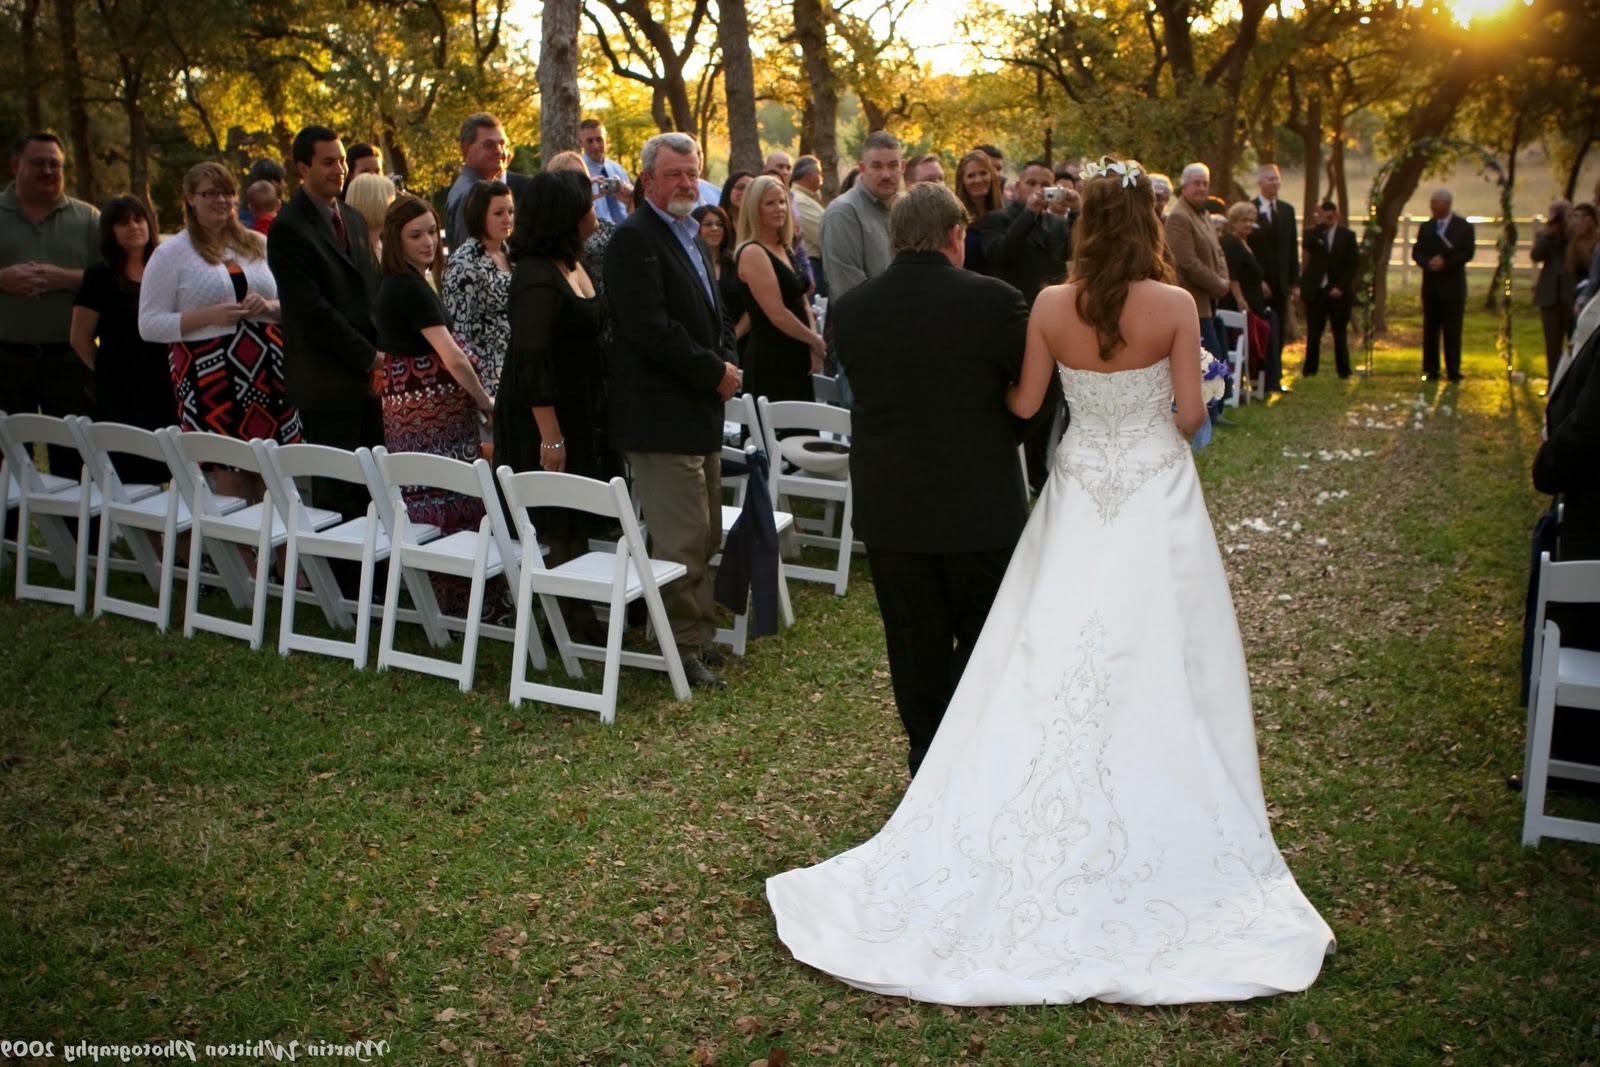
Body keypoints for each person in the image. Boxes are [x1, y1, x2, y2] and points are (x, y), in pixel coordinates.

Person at [767, 157, 1335, 1007]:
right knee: (1158, 647)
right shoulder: (1177, 305)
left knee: (1050, 645)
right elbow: (1186, 417)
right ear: (1148, 224)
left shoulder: (1052, 306)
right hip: (1151, 490)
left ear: (1084, 223)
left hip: (1077, 491)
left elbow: (1028, 407)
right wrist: (1193, 387)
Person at [828, 181, 1053, 773]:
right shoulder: (996, 301)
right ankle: (971, 749)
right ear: (956, 236)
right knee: (987, 632)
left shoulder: (850, 311)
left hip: (892, 505)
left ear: (894, 237)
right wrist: (1000, 441)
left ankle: (928, 754)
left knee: (911, 639)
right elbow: (1037, 399)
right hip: (980, 504)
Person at [603, 132, 741, 691]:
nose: (686, 183)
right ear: (647, 180)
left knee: (706, 535)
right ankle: (679, 650)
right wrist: (714, 371)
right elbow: (650, 330)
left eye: (693, 172)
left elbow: (716, 315)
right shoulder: (633, 239)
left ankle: (700, 637)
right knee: (681, 542)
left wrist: (727, 359)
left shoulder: (691, 233)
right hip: (660, 418)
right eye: (674, 174)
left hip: (699, 411)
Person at [494, 170, 614, 643]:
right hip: (542, 417)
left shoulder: (570, 262)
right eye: (587, 204)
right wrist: (552, 435)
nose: (594, 212)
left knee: (574, 514)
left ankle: (575, 611)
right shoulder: (536, 278)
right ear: (566, 215)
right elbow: (531, 362)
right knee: (558, 517)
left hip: (578, 405)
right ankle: (572, 624)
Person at [138, 162, 299, 504]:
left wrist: (268, 307)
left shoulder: (257, 243)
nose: (221, 200)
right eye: (210, 193)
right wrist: (205, 316)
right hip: (209, 374)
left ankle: (283, 554)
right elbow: (148, 324)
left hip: (267, 369)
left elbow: (293, 305)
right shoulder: (170, 254)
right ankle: (242, 557)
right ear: (190, 198)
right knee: (231, 470)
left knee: (273, 469)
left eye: (227, 192)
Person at [375, 196, 496, 613]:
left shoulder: (401, 281)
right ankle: (462, 601)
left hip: (409, 411)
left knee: (427, 497)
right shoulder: (408, 286)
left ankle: (444, 600)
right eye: (416, 235)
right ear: (396, 240)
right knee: (446, 498)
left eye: (432, 232)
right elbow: (453, 356)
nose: (428, 242)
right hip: (430, 416)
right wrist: (485, 401)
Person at [267, 125, 383, 523]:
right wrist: (369, 358)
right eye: (329, 162)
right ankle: (342, 582)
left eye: (342, 161)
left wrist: (380, 357)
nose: (340, 169)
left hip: (371, 382)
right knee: (338, 498)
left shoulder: (351, 217)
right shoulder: (288, 228)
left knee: (375, 489)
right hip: (327, 382)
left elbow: (371, 289)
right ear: (303, 167)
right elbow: (310, 311)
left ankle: (379, 579)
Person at [1, 131, 100, 480]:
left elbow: (116, 278)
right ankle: (8, 531)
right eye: (38, 163)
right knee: (6, 462)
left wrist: (66, 278)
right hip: (6, 362)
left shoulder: (88, 219)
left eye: (55, 164)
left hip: (69, 362)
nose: (48, 171)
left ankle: (79, 534)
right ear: (16, 166)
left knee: (74, 459)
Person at [69, 196, 171, 483]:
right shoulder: (99, 276)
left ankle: (181, 528)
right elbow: (79, 338)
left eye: (138, 219)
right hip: (122, 390)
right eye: (123, 222)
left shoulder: (164, 269)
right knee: (134, 470)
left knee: (175, 465)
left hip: (166, 384)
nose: (133, 227)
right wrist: (106, 373)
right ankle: (145, 529)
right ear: (110, 231)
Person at [735, 175, 823, 404]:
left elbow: (803, 300)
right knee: (778, 432)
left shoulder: (784, 247)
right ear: (755, 209)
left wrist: (812, 341)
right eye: (770, 203)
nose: (779, 209)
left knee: (804, 431)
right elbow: (777, 313)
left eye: (782, 202)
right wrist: (813, 340)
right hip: (772, 355)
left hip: (798, 350)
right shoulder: (753, 252)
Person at [1165, 162, 1231, 420]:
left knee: (1215, 358)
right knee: (1205, 360)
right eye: (1196, 183)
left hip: (1209, 300)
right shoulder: (1179, 217)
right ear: (1184, 186)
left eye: (1205, 183)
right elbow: (1187, 262)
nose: (1202, 188)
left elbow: (1219, 252)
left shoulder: (1203, 214)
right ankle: (1208, 413)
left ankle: (1216, 410)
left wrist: (1224, 279)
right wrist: (1218, 285)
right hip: (1193, 301)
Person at [442, 179, 514, 396]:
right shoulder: (464, 263)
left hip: (514, 369)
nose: (507, 219)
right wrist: (478, 392)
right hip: (486, 378)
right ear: (480, 216)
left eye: (510, 211)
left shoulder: (509, 253)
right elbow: (458, 333)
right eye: (498, 213)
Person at [975, 158, 1072, 304]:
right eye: (1031, 183)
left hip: (1051, 307)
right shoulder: (996, 219)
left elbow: (1078, 250)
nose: (1038, 189)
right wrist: (1029, 213)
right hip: (1012, 308)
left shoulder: (1059, 223)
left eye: (1045, 185)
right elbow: (1000, 255)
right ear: (1018, 186)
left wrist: (1077, 209)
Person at [1411, 188, 1474, 383]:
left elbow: (1467, 253)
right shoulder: (1427, 227)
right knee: (1430, 329)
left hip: (1453, 287)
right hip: (1431, 286)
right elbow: (1417, 251)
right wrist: (1428, 262)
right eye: (1431, 202)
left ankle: (1453, 370)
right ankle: (1431, 369)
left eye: (1435, 202)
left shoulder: (1463, 227)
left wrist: (1446, 263)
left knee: (1452, 330)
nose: (1432, 206)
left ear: (1447, 204)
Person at [444, 114, 531, 252]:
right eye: (489, 145)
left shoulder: (481, 189)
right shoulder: (470, 195)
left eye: (503, 144)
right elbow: (470, 259)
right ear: (466, 150)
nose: (499, 151)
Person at [1249, 164, 1297, 393]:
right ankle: (1257, 378)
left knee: (1279, 330)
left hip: (1281, 283)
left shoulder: (1287, 211)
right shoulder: (1250, 209)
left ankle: (1274, 379)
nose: (1275, 183)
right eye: (1270, 179)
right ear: (1260, 182)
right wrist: (1257, 280)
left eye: (1277, 179)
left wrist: (1294, 282)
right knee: (1260, 331)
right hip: (1258, 283)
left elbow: (1291, 250)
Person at [1302, 201, 1358, 379]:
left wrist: (1340, 286)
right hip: (1317, 290)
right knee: (1314, 332)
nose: (1328, 218)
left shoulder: (1347, 236)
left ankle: (1343, 369)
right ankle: (1310, 369)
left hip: (1338, 291)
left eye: (1331, 215)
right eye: (1325, 214)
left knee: (1339, 332)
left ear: (1337, 214)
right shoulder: (1314, 232)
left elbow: (1352, 265)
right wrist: (1320, 226)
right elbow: (1307, 245)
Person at [1531, 199, 1573, 382]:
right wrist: (1549, 235)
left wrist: (1568, 229)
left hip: (1572, 295)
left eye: (1561, 211)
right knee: (1552, 345)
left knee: (1575, 342)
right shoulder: (1544, 234)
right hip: (1549, 295)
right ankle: (1553, 383)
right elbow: (1536, 255)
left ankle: (1573, 383)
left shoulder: (1576, 234)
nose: (1557, 215)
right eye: (1554, 210)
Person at [692, 204, 745, 345]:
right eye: (707, 224)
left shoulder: (738, 263)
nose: (715, 229)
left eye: (720, 224)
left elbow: (751, 308)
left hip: (739, 344)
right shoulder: (687, 266)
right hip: (701, 346)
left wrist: (731, 338)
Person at [955, 149, 1002, 276]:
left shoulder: (1004, 213)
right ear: (962, 181)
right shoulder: (955, 219)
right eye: (971, 176)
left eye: (983, 173)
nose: (978, 180)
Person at [580, 118, 634, 226]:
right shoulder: (579, 172)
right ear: (580, 142)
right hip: (596, 235)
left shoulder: (617, 169)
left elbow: (631, 206)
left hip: (626, 230)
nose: (595, 146)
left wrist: (631, 197)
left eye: (599, 139)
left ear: (607, 139)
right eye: (589, 141)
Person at [790, 156, 827, 296]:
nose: (821, 178)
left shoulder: (808, 199)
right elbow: (823, 235)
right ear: (810, 176)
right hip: (812, 266)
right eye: (819, 173)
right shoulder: (799, 201)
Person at [342, 173, 396, 258]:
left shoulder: (385, 247)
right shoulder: (352, 253)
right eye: (390, 198)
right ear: (377, 202)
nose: (395, 203)